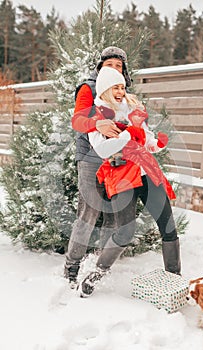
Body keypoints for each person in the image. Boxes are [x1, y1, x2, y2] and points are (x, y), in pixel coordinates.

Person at [79, 66, 181, 297]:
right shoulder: (97, 116)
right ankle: (97, 274)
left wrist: (156, 144)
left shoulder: (133, 109)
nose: (120, 91)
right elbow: (102, 149)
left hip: (147, 172)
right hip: (122, 177)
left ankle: (175, 281)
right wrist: (128, 133)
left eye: (122, 87)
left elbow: (147, 141)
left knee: (168, 227)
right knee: (125, 232)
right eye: (115, 87)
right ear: (105, 88)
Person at [64, 47, 132, 287]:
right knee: (88, 214)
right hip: (91, 159)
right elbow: (77, 120)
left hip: (118, 162)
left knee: (114, 216)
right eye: (110, 64)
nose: (114, 69)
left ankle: (98, 264)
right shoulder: (88, 88)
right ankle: (71, 266)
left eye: (119, 66)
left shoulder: (124, 94)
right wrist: (98, 124)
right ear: (100, 67)